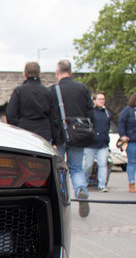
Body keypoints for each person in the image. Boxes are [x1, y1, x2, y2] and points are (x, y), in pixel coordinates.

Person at [51, 60, 94, 218]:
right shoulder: (82, 88)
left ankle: (63, 200)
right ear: (71, 72)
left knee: (60, 168)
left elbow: (51, 115)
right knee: (76, 167)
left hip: (60, 136)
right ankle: (81, 189)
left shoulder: (54, 90)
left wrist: (54, 136)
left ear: (57, 72)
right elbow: (90, 112)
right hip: (78, 134)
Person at [6, 62, 60, 146]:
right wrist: (55, 138)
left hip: (23, 133)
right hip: (44, 134)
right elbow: (54, 117)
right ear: (39, 74)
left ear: (24, 74)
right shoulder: (48, 92)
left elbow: (10, 114)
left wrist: (17, 129)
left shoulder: (19, 91)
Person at [83, 92, 110, 192]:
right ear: (94, 100)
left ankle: (102, 184)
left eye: (103, 99)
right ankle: (84, 181)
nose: (102, 101)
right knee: (88, 165)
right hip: (91, 144)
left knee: (102, 163)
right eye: (100, 99)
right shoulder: (90, 112)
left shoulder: (106, 112)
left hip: (103, 143)